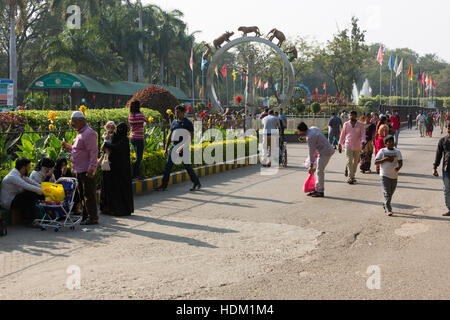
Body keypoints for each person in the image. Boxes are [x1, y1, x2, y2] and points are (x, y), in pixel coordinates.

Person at [62, 111, 99, 225]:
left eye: (74, 121)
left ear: (81, 121)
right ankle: (85, 216)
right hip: (79, 169)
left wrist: (91, 168)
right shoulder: (80, 133)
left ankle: (93, 217)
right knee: (82, 194)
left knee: (88, 194)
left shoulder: (89, 133)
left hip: (86, 170)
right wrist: (67, 146)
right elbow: (77, 149)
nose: (72, 124)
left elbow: (93, 152)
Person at [156, 105, 201, 192]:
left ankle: (196, 183)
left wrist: (182, 147)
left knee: (187, 166)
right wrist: (166, 148)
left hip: (183, 147)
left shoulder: (187, 123)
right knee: (168, 166)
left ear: (183, 113)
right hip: (174, 146)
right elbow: (170, 135)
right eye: (176, 112)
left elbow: (190, 137)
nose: (176, 114)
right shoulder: (174, 122)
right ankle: (163, 185)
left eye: (178, 112)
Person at [101, 123, 134, 216]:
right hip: (115, 169)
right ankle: (113, 209)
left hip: (122, 170)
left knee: (121, 190)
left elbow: (115, 147)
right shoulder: (116, 138)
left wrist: (107, 144)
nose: (118, 131)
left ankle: (122, 210)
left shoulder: (124, 140)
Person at [0, 158, 44, 227]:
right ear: (24, 167)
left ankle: (29, 218)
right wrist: (42, 191)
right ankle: (30, 221)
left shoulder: (20, 174)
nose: (30, 168)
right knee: (30, 194)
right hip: (8, 202)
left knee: (32, 193)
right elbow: (27, 186)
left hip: (15, 198)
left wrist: (45, 188)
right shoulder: (13, 176)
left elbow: (32, 182)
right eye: (29, 167)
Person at [297, 122, 335, 197]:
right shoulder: (313, 128)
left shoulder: (310, 137)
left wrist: (311, 165)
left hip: (324, 152)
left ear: (301, 131)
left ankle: (320, 191)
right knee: (319, 170)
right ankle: (317, 189)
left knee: (319, 171)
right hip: (327, 149)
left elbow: (311, 152)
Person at [374, 135, 403, 216]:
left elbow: (400, 162)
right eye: (389, 142)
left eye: (392, 141)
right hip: (384, 175)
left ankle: (385, 204)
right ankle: (388, 209)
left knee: (391, 192)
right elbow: (376, 162)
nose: (391, 143)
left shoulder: (397, 152)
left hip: (394, 176)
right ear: (385, 143)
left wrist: (398, 167)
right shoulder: (382, 151)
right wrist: (385, 159)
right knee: (387, 192)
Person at [338, 111, 366, 184]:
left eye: (353, 115)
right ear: (348, 116)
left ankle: (349, 170)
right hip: (348, 145)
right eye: (350, 115)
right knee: (349, 160)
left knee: (356, 162)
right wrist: (339, 144)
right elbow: (343, 135)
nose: (351, 117)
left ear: (356, 116)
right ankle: (351, 177)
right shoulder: (346, 124)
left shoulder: (360, 124)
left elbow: (363, 134)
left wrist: (363, 141)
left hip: (357, 146)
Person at [128, 100, 148, 181]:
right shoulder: (140, 115)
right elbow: (145, 120)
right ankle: (135, 175)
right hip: (139, 138)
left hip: (132, 137)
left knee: (137, 156)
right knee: (139, 158)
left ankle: (137, 174)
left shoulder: (130, 115)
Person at [433, 123, 450, 216]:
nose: (449, 130)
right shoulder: (442, 140)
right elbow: (438, 155)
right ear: (446, 128)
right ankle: (449, 208)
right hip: (446, 169)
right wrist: (435, 167)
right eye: (448, 128)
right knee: (446, 189)